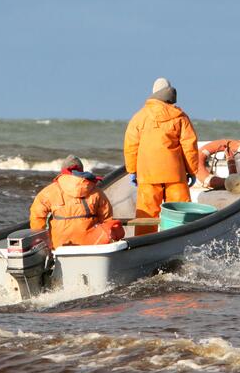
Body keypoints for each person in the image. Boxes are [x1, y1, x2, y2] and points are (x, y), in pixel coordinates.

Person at [124, 78, 199, 235]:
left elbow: (131, 146)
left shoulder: (139, 117)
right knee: (179, 214)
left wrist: (132, 170)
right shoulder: (180, 116)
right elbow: (189, 146)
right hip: (175, 174)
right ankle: (178, 241)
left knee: (146, 214)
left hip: (148, 174)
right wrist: (192, 170)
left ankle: (144, 245)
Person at [29, 155, 124, 248]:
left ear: (63, 171)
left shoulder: (49, 191)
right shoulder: (96, 192)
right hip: (92, 244)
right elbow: (107, 220)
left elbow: (36, 217)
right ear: (81, 171)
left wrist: (42, 241)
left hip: (60, 245)